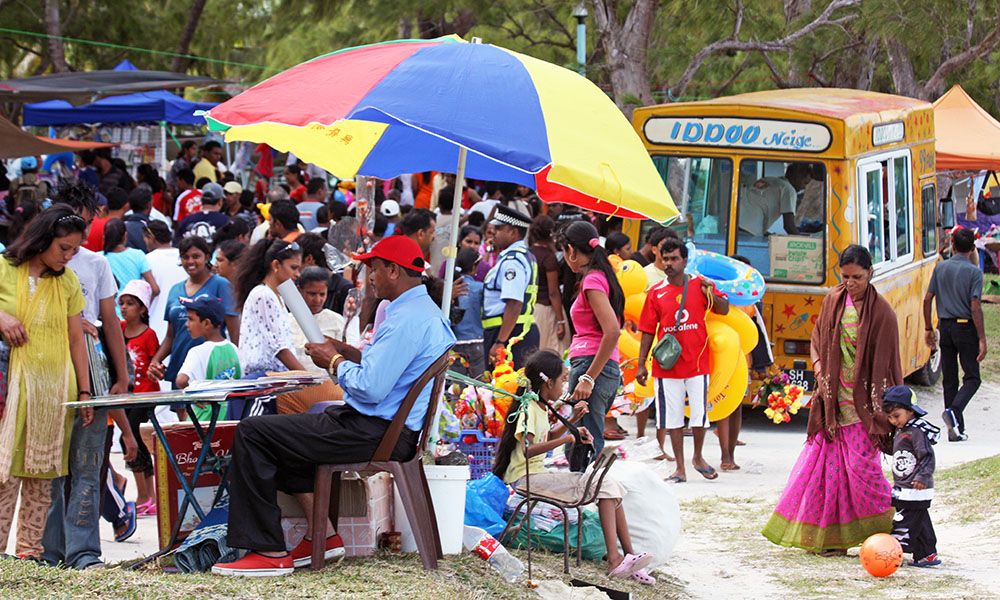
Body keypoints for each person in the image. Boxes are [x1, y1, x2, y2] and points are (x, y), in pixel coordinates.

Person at [212, 235, 455, 577]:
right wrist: (344, 351)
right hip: (384, 428)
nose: (369, 278)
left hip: (374, 431)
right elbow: (384, 368)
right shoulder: (421, 311)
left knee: (253, 433)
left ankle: (268, 550)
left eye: (373, 269)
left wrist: (334, 360)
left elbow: (371, 387)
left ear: (393, 270)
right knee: (286, 434)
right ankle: (321, 537)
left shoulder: (407, 319)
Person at [762, 245, 899, 555]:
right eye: (846, 276)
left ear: (871, 273)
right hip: (832, 406)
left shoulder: (883, 313)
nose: (851, 283)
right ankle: (832, 541)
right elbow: (816, 340)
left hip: (864, 410)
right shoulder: (833, 301)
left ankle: (889, 534)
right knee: (829, 477)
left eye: (858, 278)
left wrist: (887, 412)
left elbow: (889, 367)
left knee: (865, 474)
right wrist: (820, 369)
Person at [492, 350, 655, 585]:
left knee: (610, 485)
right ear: (548, 382)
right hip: (527, 479)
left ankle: (627, 556)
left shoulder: (539, 406)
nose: (565, 384)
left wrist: (574, 422)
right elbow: (528, 451)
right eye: (563, 379)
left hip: (538, 475)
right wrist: (567, 439)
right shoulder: (528, 408)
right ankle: (614, 559)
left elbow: (546, 436)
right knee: (605, 485)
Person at [42, 184, 135, 570]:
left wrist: (122, 374)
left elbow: (110, 321)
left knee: (87, 461)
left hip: (92, 367)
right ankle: (50, 550)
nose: (77, 238)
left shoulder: (96, 264)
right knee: (49, 466)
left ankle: (83, 552)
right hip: (47, 368)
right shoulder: (37, 262)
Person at [0, 206, 91, 561]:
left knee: (41, 478)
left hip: (54, 388)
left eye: (74, 250)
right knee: (4, 472)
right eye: (63, 248)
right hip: (10, 385)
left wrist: (83, 392)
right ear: (42, 240)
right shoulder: (6, 269)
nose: (68, 256)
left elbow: (75, 341)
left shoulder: (67, 281)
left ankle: (29, 555)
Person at [636, 239, 729, 482]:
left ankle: (697, 457)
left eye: (674, 258)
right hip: (667, 366)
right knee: (672, 418)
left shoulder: (700, 285)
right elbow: (647, 330)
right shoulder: (656, 292)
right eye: (665, 259)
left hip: (698, 364)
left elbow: (724, 309)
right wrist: (640, 364)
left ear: (685, 261)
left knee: (699, 416)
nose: (669, 263)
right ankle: (680, 467)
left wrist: (711, 292)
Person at [558, 221, 623, 455]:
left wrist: (588, 378)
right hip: (594, 364)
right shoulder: (599, 277)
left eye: (564, 251)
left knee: (583, 441)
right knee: (582, 437)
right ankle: (586, 486)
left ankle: (588, 489)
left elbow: (612, 331)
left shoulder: (593, 280)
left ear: (571, 250)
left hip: (592, 365)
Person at [148, 237, 240, 389]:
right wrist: (156, 361)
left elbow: (234, 331)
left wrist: (236, 363)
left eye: (196, 256)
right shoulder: (175, 290)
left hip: (211, 368)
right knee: (182, 411)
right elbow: (171, 336)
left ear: (207, 257)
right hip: (180, 368)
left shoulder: (221, 285)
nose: (190, 261)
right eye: (185, 257)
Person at [923, 227, 987, 441]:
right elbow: (975, 305)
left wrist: (928, 328)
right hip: (965, 326)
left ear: (953, 245)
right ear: (971, 248)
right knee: (972, 378)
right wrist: (982, 338)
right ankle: (954, 411)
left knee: (949, 378)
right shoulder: (974, 272)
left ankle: (955, 430)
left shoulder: (941, 268)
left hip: (945, 327)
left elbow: (927, 298)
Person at [232, 239, 306, 418]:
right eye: (293, 267)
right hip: (262, 384)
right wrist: (306, 377)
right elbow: (279, 348)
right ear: (275, 265)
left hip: (275, 382)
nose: (297, 274)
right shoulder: (263, 295)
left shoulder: (278, 296)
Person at [883, 385, 941, 568]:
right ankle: (927, 554)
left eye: (897, 415)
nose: (893, 421)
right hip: (905, 488)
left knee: (904, 520)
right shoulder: (903, 429)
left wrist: (923, 477)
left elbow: (927, 456)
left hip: (916, 488)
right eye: (890, 417)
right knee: (921, 521)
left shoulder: (916, 431)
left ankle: (893, 553)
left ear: (910, 411)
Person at [117, 279, 159, 517]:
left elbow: (155, 360)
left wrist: (156, 367)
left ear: (142, 308)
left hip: (145, 395)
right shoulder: (119, 329)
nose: (124, 308)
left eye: (130, 303)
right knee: (130, 441)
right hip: (126, 395)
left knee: (132, 437)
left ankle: (146, 495)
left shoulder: (149, 335)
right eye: (122, 303)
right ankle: (146, 494)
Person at [482, 205, 538, 369]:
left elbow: (514, 304)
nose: (494, 233)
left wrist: (500, 342)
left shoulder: (513, 261)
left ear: (513, 233)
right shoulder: (521, 256)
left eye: (499, 229)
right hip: (514, 332)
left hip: (509, 334)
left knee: (504, 391)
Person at [174, 295, 242, 422]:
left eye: (191, 319)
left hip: (202, 421)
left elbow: (181, 380)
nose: (187, 325)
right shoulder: (234, 349)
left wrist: (194, 395)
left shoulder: (197, 352)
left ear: (206, 323)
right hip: (229, 419)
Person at [529, 215, 567, 354]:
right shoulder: (549, 257)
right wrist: (561, 321)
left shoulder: (527, 253)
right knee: (552, 351)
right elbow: (553, 292)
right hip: (546, 310)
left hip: (528, 309)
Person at [142, 221, 187, 342]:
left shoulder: (147, 260)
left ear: (151, 238)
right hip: (186, 324)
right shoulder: (185, 257)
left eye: (145, 238)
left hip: (156, 326)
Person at [101, 219, 159, 307]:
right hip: (133, 315)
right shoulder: (138, 255)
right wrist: (141, 307)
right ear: (125, 236)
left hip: (106, 315)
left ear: (104, 237)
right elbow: (155, 289)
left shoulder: (98, 258)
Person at [737, 163, 806, 237]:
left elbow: (758, 204)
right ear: (797, 178)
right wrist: (804, 242)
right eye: (805, 182)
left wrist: (765, 232)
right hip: (748, 229)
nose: (804, 187)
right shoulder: (789, 190)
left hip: (735, 222)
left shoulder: (769, 180)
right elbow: (789, 226)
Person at [451, 248, 486, 378]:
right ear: (474, 267)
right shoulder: (480, 288)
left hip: (455, 344)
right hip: (477, 342)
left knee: (455, 388)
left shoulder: (448, 287)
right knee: (480, 388)